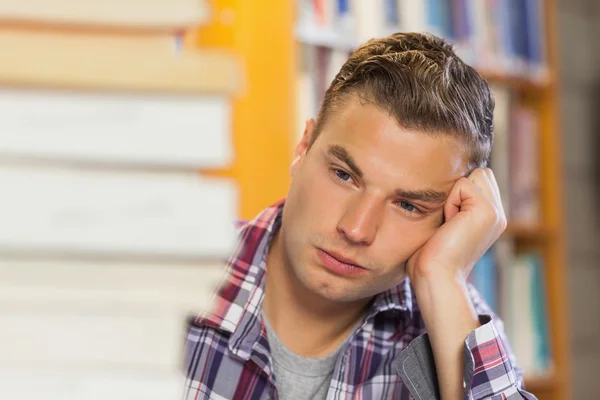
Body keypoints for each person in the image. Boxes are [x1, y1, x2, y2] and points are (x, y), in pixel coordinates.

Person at [182, 32, 537, 400]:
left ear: (449, 217)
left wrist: (442, 278)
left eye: (408, 205)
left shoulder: (455, 319)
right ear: (303, 147)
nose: (355, 229)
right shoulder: (165, 273)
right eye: (343, 175)